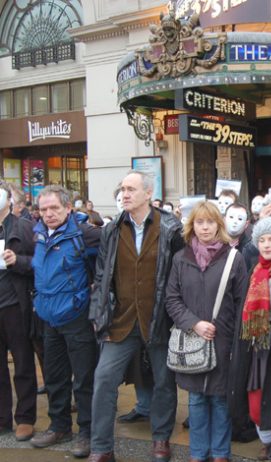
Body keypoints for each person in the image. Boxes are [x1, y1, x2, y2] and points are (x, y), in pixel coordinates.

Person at [88, 170, 184, 462]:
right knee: (104, 379)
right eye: (122, 189)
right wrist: (98, 313)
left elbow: (179, 274)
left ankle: (161, 440)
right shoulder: (112, 229)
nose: (125, 194)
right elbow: (102, 275)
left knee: (164, 382)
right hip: (121, 319)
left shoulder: (171, 227)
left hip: (159, 319)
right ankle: (101, 447)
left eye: (131, 189)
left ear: (147, 194)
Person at [165, 201, 247, 462]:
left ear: (218, 225)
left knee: (221, 400)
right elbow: (172, 298)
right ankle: (198, 453)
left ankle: (221, 453)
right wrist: (193, 323)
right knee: (197, 400)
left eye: (210, 222)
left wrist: (235, 343)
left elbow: (241, 302)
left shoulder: (234, 258)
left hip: (223, 341)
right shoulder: (181, 259)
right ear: (192, 226)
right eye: (199, 222)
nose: (205, 227)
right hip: (192, 340)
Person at [30, 185, 101, 458]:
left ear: (68, 208)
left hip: (77, 317)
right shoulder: (37, 235)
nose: (48, 214)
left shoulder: (85, 234)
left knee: (84, 378)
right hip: (48, 317)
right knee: (55, 378)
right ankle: (59, 426)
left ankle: (87, 431)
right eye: (44, 209)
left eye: (54, 208)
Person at [229, 217, 271, 462]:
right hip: (257, 353)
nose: (266, 245)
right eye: (261, 240)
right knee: (258, 409)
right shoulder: (255, 271)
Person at [0, 181, 37, 442]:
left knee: (23, 362)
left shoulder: (23, 227)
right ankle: (2, 418)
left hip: (15, 305)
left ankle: (25, 417)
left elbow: (41, 262)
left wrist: (19, 261)